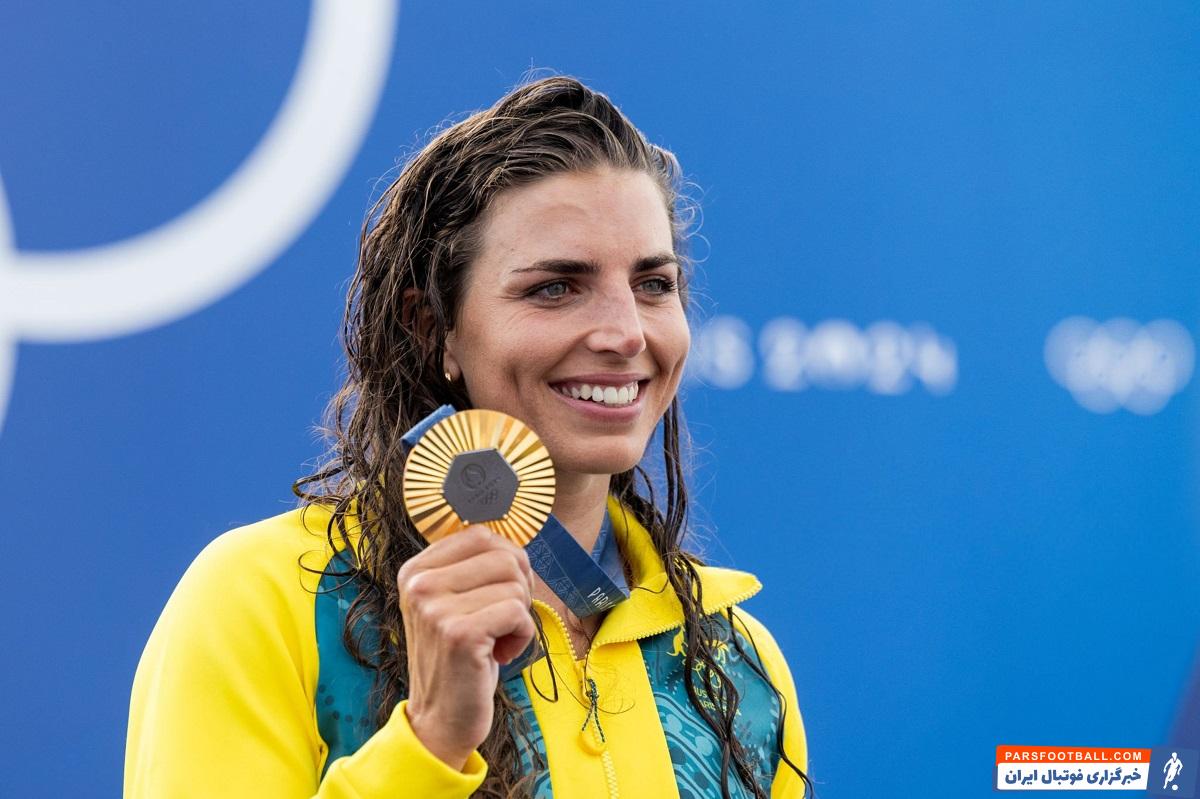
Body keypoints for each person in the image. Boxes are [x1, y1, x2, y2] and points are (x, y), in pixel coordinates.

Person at [124, 74, 812, 799]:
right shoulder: (265, 602)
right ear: (434, 329)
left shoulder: (736, 665)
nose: (625, 333)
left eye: (653, 285)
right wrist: (429, 741)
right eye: (554, 287)